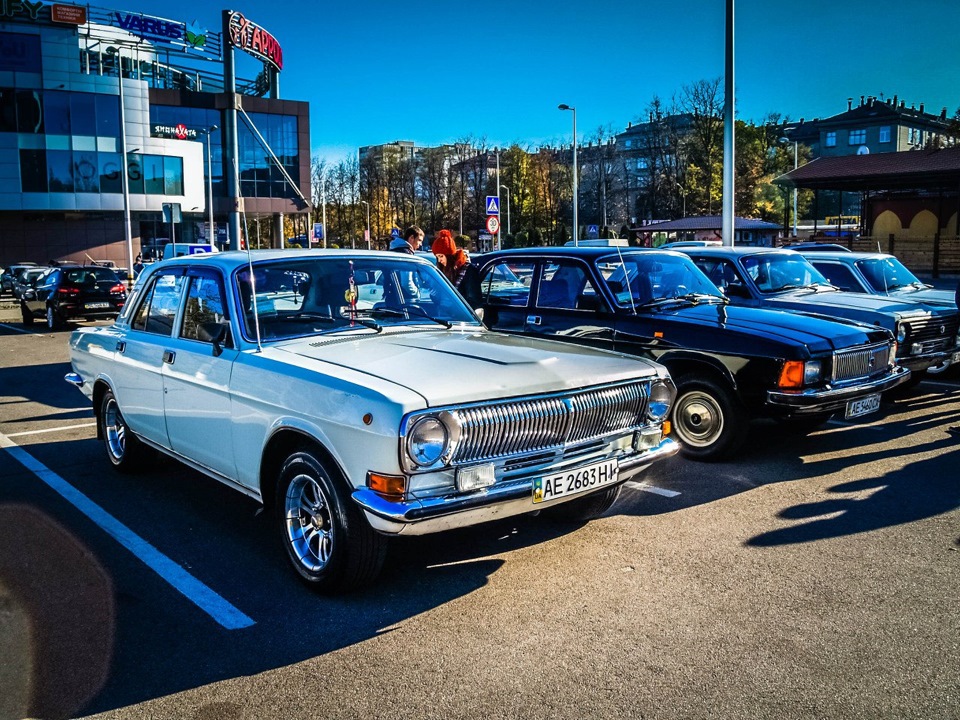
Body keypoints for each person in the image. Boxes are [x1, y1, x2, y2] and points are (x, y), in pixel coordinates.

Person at [431, 229, 482, 308]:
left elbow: (474, 300)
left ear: (449, 256)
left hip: (461, 316)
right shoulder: (442, 270)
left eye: (441, 256)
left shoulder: (468, 270)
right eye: (437, 257)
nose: (439, 260)